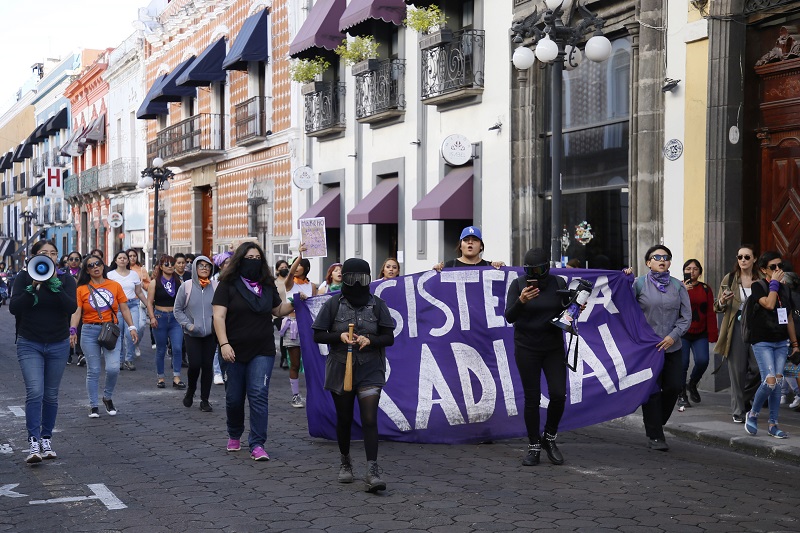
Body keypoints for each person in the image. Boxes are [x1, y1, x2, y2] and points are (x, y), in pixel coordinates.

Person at [312, 258, 395, 492]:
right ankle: (345, 461)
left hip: (370, 368)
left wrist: (372, 340)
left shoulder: (378, 304)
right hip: (341, 367)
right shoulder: (333, 304)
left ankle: (372, 469)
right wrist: (338, 337)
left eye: (362, 278)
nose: (357, 283)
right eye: (352, 278)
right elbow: (318, 334)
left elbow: (389, 337)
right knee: (345, 417)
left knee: (369, 419)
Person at [212, 242, 294, 460]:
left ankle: (257, 443)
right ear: (240, 259)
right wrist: (224, 344)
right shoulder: (227, 284)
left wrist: (296, 303)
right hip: (234, 349)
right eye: (250, 257)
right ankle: (234, 433)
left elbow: (277, 309)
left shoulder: (266, 285)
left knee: (258, 394)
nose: (254, 262)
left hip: (262, 349)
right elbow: (218, 317)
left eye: (258, 258)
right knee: (234, 398)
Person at [10, 240, 77, 463]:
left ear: (58, 257)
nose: (50, 256)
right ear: (34, 256)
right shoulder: (23, 278)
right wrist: (34, 287)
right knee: (35, 392)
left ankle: (46, 438)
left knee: (50, 394)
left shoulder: (66, 279)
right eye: (44, 253)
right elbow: (14, 308)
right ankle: (33, 442)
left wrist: (55, 285)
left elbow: (71, 308)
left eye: (54, 253)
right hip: (30, 342)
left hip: (57, 343)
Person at [504, 248, 570, 466]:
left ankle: (549, 438)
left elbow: (566, 311)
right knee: (532, 398)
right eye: (529, 270)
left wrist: (576, 307)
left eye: (539, 269)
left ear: (547, 268)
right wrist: (521, 301)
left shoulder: (558, 282)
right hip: (526, 347)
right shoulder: (518, 284)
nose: (534, 274)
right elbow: (509, 317)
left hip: (553, 347)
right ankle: (534, 445)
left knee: (558, 394)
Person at [627, 245, 691, 450]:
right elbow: (624, 306)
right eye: (657, 257)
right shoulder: (638, 284)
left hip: (672, 346)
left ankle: (656, 422)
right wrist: (625, 279)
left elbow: (686, 317)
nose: (662, 260)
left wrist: (673, 336)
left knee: (673, 386)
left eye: (666, 257)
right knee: (652, 391)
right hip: (648, 349)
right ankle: (655, 436)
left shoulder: (678, 286)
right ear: (648, 262)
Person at [70, 255, 139, 418]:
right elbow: (77, 312)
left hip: (110, 330)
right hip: (88, 331)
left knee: (113, 368)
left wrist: (132, 327)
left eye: (98, 264)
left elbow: (125, 308)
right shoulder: (81, 289)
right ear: (86, 270)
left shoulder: (114, 285)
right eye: (90, 265)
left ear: (103, 266)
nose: (95, 267)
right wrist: (73, 330)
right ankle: (93, 405)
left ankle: (107, 397)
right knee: (93, 370)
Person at [744, 252, 800, 438]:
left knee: (779, 382)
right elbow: (769, 304)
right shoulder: (758, 286)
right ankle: (752, 414)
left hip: (780, 342)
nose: (778, 270)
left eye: (780, 266)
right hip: (762, 342)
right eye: (773, 267)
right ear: (763, 270)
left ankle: (773, 424)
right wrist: (774, 284)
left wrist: (794, 344)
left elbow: (789, 318)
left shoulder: (786, 290)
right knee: (769, 382)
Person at [714, 246, 762, 423]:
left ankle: (744, 399)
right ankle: (738, 410)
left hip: (758, 328)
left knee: (759, 369)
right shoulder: (731, 278)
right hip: (736, 326)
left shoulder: (762, 279)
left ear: (754, 259)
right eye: (740, 257)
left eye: (747, 257)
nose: (743, 260)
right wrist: (722, 301)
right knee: (737, 371)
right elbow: (717, 307)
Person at [174, 255, 217, 412]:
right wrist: (188, 325)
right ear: (194, 268)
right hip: (192, 334)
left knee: (207, 366)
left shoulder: (216, 286)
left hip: (211, 334)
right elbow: (177, 310)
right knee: (194, 365)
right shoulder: (186, 286)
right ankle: (191, 391)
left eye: (207, 266)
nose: (205, 268)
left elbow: (222, 310)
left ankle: (205, 400)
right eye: (201, 266)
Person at [678, 259, 719, 407]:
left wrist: (713, 333)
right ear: (684, 271)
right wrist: (681, 292)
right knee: (682, 364)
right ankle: (681, 394)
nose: (691, 271)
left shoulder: (706, 289)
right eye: (688, 268)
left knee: (703, 361)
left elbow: (710, 312)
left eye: (695, 269)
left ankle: (692, 383)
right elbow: (671, 308)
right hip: (682, 332)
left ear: (700, 272)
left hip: (700, 331)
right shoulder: (678, 287)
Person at [282, 245, 318, 408]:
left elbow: (316, 306)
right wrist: (299, 255)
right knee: (294, 362)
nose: (296, 268)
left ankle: (314, 393)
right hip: (293, 325)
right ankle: (295, 395)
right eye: (295, 265)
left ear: (306, 268)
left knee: (312, 361)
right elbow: (290, 273)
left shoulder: (312, 286)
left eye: (300, 265)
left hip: (308, 326)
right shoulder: (290, 284)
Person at [146, 254, 186, 389]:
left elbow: (183, 301)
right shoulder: (154, 282)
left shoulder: (178, 282)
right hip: (160, 317)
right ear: (161, 266)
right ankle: (161, 377)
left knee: (177, 348)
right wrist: (152, 317)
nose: (170, 267)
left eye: (172, 264)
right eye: (166, 264)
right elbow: (149, 303)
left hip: (175, 318)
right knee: (161, 349)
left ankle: (176, 377)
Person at [107, 251, 146, 371]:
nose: (123, 260)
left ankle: (129, 359)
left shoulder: (134, 274)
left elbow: (139, 292)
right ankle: (119, 360)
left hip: (132, 305)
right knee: (118, 334)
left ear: (128, 261)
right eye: (120, 258)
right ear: (116, 260)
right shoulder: (110, 275)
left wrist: (149, 305)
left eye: (125, 258)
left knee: (132, 332)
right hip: (116, 307)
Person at [433, 226, 505, 270]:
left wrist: (502, 268)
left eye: (475, 240)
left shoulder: (489, 267)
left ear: (481, 246)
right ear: (460, 246)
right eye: (466, 240)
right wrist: (435, 271)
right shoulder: (449, 266)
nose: (470, 242)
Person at [273, 259, 291, 369]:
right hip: (278, 314)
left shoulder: (291, 281)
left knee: (291, 336)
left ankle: (290, 357)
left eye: (286, 267)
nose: (284, 269)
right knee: (283, 334)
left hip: (290, 312)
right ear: (277, 270)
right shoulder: (274, 283)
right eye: (282, 268)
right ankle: (284, 358)